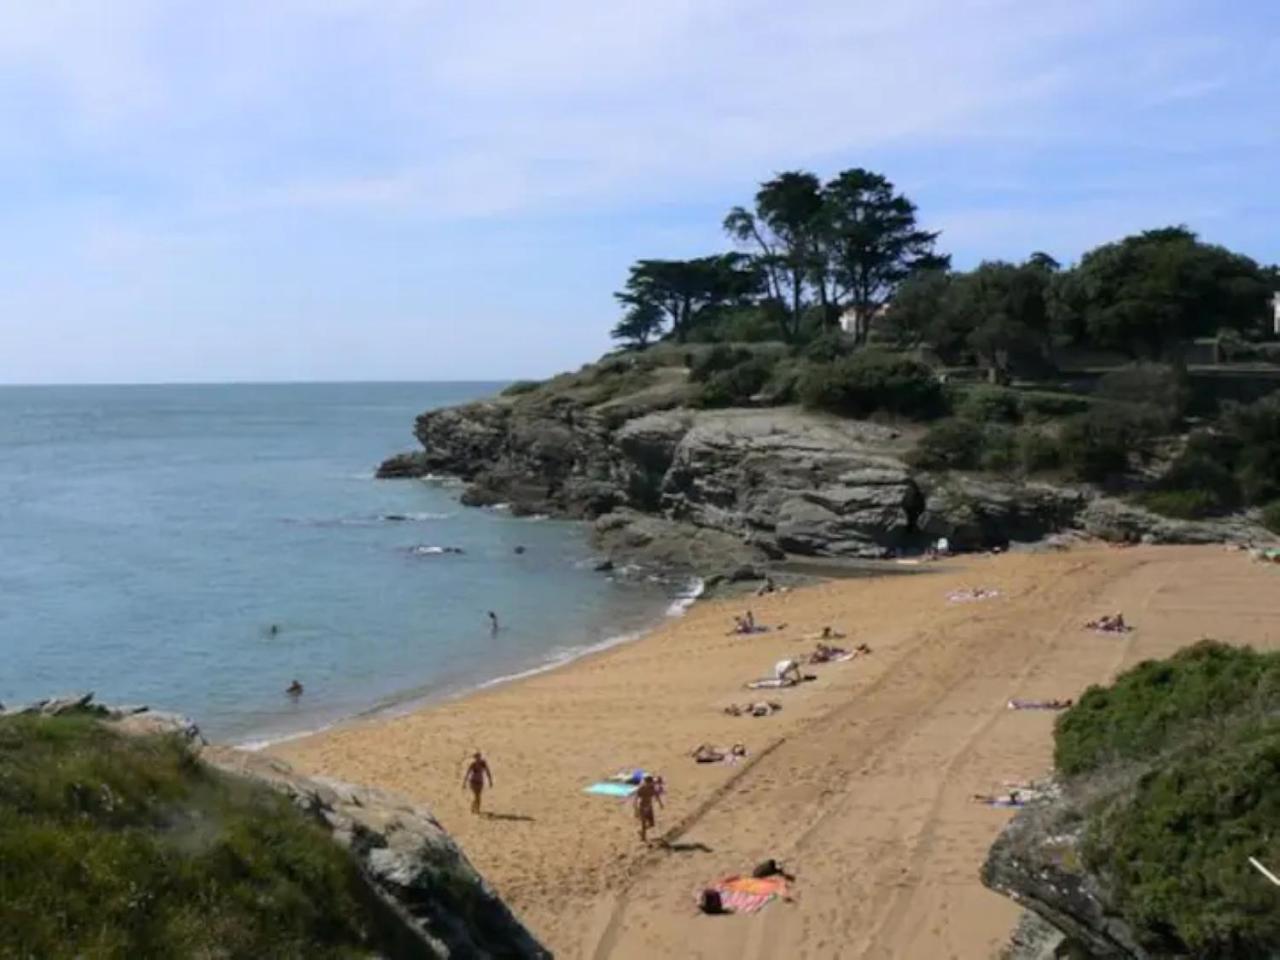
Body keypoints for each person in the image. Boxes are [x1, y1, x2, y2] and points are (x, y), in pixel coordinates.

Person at [633, 773, 663, 842]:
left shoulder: (652, 787)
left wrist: (660, 804)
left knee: (652, 824)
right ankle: (643, 837)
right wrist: (636, 810)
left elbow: (657, 795)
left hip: (649, 807)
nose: (651, 784)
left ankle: (641, 832)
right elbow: (636, 800)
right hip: (643, 807)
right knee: (643, 823)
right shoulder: (641, 789)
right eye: (649, 783)